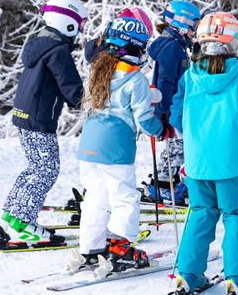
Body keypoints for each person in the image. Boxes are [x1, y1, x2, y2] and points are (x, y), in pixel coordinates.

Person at [167, 11, 238, 295]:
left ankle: (188, 274)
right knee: (235, 215)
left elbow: (176, 117)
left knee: (201, 214)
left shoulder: (190, 76)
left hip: (198, 161)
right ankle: (236, 278)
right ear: (234, 41)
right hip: (229, 161)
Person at [71, 14, 167, 272]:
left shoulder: (98, 70)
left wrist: (150, 95)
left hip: (89, 145)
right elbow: (144, 118)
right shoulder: (134, 77)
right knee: (124, 197)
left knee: (95, 198)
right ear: (134, 47)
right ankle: (119, 248)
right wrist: (161, 129)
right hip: (115, 147)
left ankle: (91, 248)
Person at [2, 0, 87, 242]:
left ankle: (14, 211)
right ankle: (22, 222)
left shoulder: (40, 45)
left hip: (25, 115)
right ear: (67, 24)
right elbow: (71, 87)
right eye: (78, 25)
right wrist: (94, 105)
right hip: (39, 119)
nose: (79, 32)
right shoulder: (58, 51)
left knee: (35, 168)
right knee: (46, 170)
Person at [147, 0, 201, 203]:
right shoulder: (171, 47)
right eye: (194, 24)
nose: (195, 29)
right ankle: (160, 186)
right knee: (176, 147)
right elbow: (165, 80)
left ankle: (168, 182)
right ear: (182, 23)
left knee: (178, 147)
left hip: (176, 106)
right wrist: (163, 111)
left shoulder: (178, 46)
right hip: (170, 108)